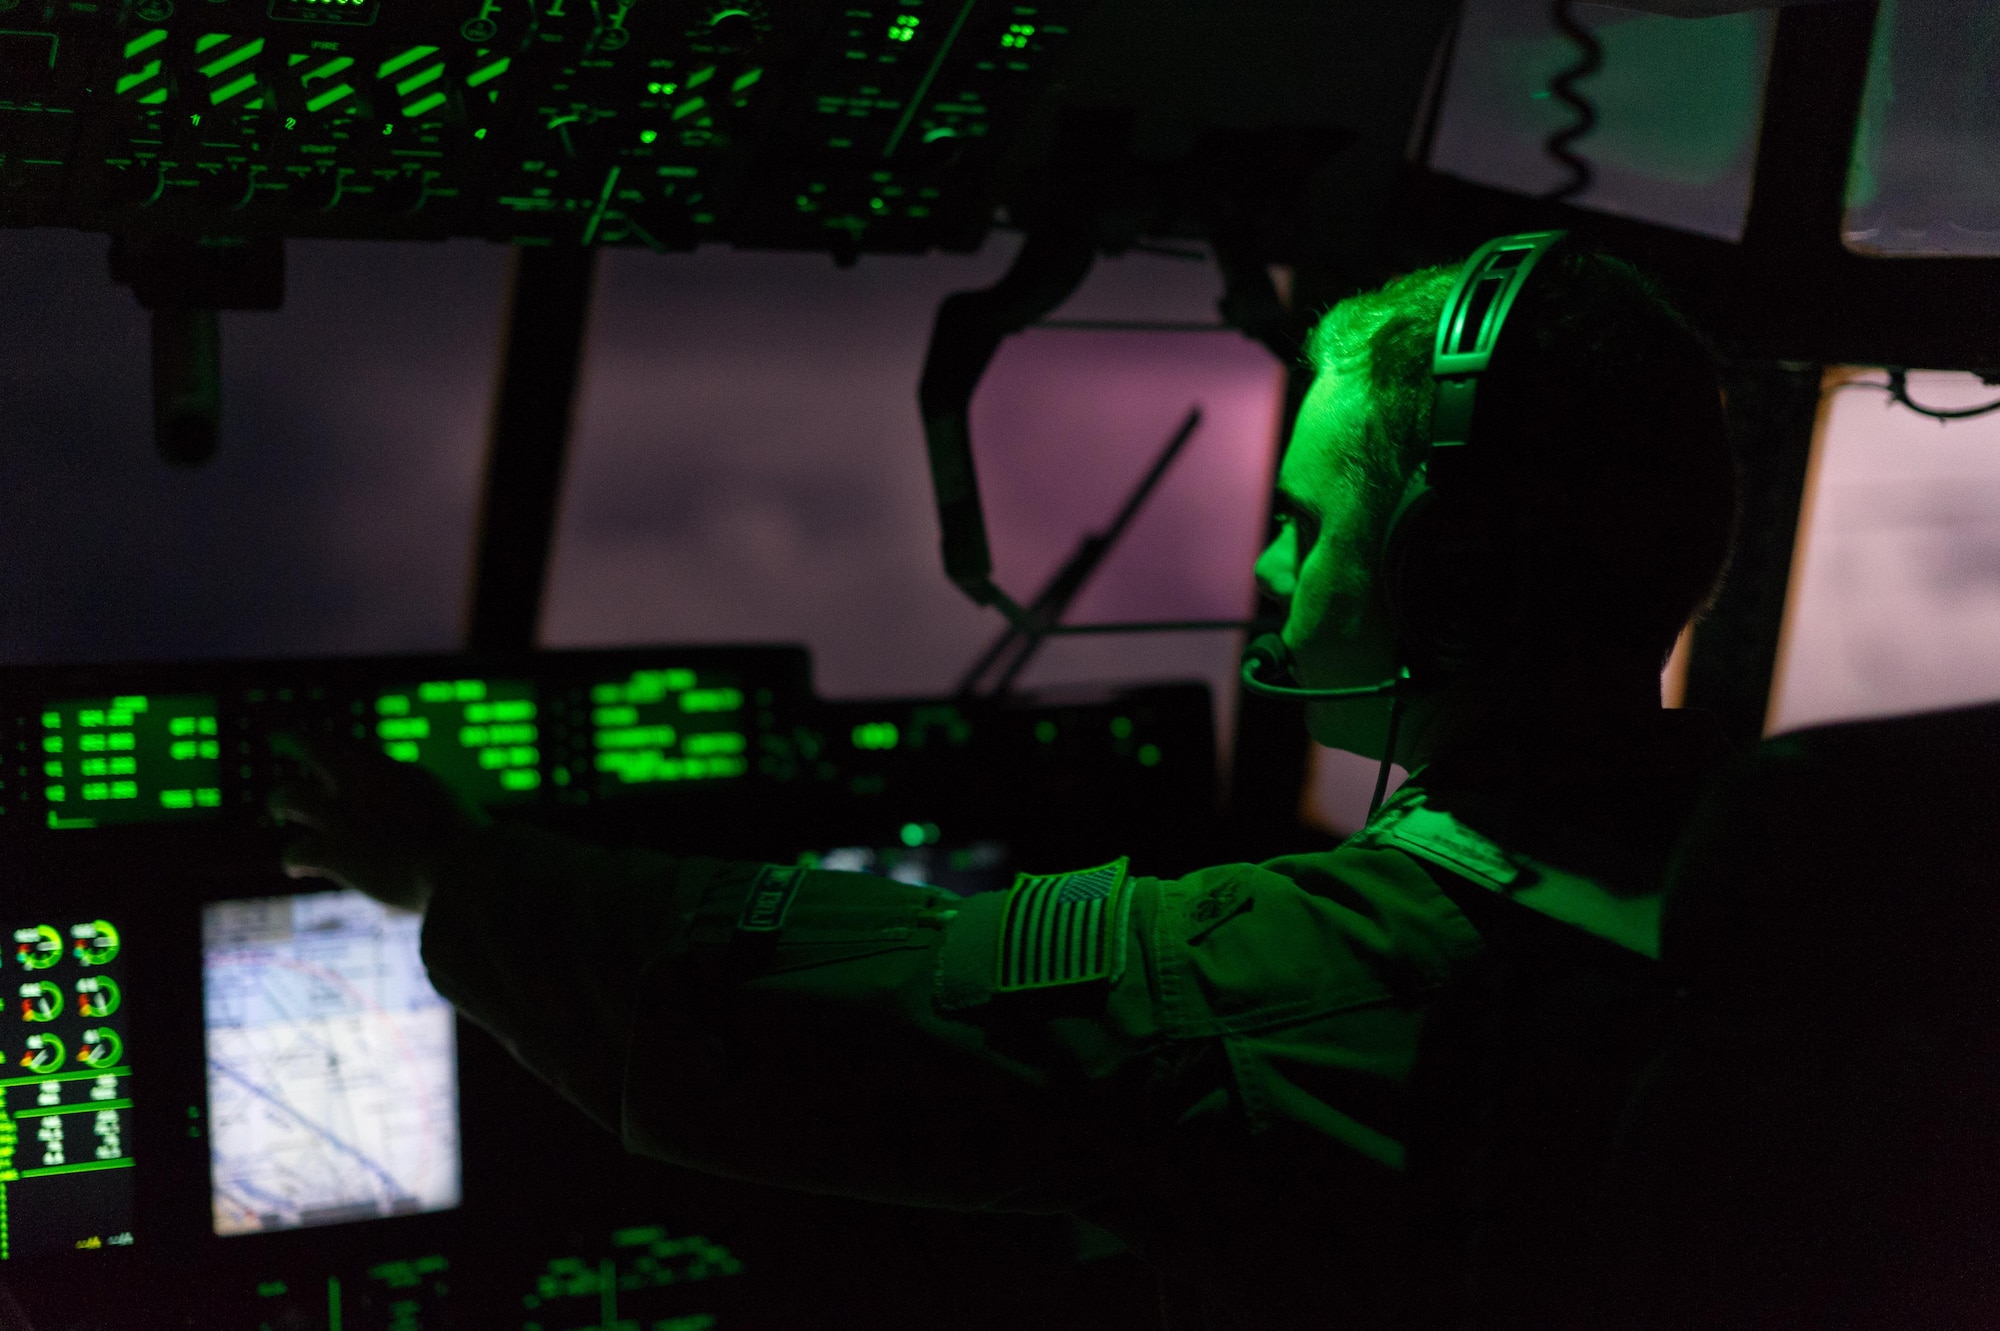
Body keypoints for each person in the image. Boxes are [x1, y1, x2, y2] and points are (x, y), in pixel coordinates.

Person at [273, 239, 1738, 1330]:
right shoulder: (1789, 871)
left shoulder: (1322, 987)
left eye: (1301, 520)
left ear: (1451, 579)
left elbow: (811, 1009)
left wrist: (459, 873)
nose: (1265, 566)